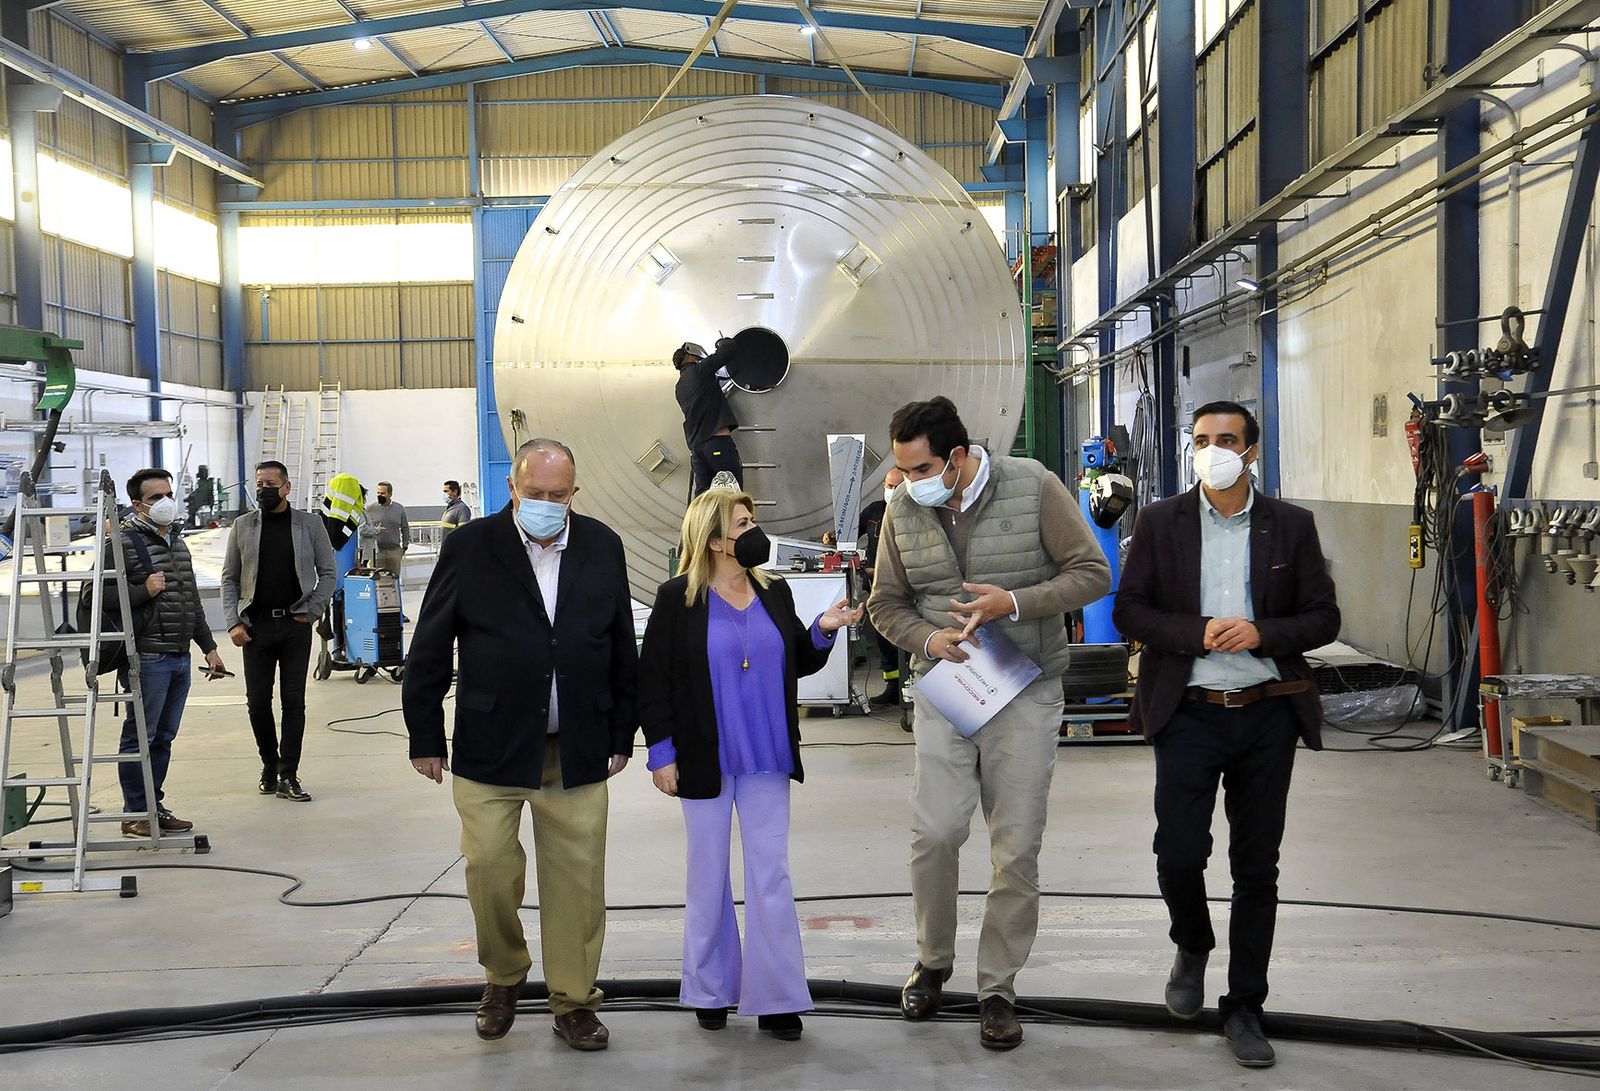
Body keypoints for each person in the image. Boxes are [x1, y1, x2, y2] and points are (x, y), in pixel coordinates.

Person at [867, 396, 1110, 1050]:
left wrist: (1016, 602)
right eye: (901, 469)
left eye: (919, 467)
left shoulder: (1034, 486)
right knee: (936, 830)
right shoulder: (902, 510)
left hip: (1025, 684)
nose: (908, 480)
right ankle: (933, 958)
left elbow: (1093, 572)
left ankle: (998, 985)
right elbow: (885, 604)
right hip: (948, 686)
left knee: (1017, 844)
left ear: (956, 456)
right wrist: (925, 639)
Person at [1112, 401, 1340, 1069]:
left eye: (1228, 439)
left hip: (1268, 712)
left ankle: (1245, 1004)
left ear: (1252, 451)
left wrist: (1264, 633)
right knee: (1178, 852)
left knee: (1256, 864)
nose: (1214, 449)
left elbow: (1323, 616)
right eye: (1204, 439)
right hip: (1188, 709)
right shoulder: (1160, 522)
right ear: (1191, 447)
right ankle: (1192, 938)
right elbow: (1131, 608)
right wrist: (1197, 630)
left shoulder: (1290, 527)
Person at [403, 438, 638, 1052]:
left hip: (578, 746)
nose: (547, 505)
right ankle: (504, 975)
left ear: (574, 494)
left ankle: (574, 1001)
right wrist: (424, 735)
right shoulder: (471, 547)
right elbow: (429, 646)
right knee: (489, 867)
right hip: (491, 746)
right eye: (536, 495)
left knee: (578, 882)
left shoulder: (602, 546)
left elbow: (619, 647)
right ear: (513, 488)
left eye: (559, 496)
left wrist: (621, 734)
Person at [638, 490, 861, 1042]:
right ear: (715, 539)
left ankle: (778, 996)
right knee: (708, 875)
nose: (755, 530)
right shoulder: (676, 599)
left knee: (770, 876)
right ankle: (711, 989)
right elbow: (654, 681)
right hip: (702, 757)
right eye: (743, 523)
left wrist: (824, 629)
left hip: (766, 756)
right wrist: (661, 752)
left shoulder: (774, 591)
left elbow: (798, 660)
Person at [113, 468, 227, 838]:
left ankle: (153, 806)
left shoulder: (176, 541)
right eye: (154, 498)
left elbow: (189, 600)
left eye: (167, 495)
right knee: (140, 736)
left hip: (178, 655)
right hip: (148, 656)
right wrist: (143, 589)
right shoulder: (124, 542)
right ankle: (135, 813)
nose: (164, 503)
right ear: (137, 504)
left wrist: (209, 647)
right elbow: (93, 597)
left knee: (163, 737)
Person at [221, 461, 337, 803]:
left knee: (293, 703)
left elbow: (328, 573)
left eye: (270, 483)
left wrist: (310, 612)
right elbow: (230, 577)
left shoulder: (310, 525)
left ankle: (289, 773)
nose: (263, 490)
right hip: (254, 629)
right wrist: (233, 621)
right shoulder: (242, 526)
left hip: (294, 626)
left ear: (286, 488)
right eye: (259, 484)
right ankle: (268, 766)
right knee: (257, 702)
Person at [858, 467, 906, 707]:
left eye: (899, 486)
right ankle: (893, 685)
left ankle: (911, 686)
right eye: (890, 486)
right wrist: (833, 537)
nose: (893, 491)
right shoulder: (874, 511)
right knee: (884, 637)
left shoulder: (913, 511)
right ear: (883, 487)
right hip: (876, 590)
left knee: (905, 637)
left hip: (905, 590)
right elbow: (849, 532)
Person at [673, 339, 743, 496]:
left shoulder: (679, 387)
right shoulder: (699, 371)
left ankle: (701, 521)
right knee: (733, 494)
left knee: (704, 498)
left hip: (697, 450)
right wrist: (721, 343)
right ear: (691, 357)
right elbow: (729, 349)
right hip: (717, 442)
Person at [366, 481, 409, 575]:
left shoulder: (399, 508)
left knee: (393, 580)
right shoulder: (370, 509)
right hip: (376, 552)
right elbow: (364, 528)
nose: (379, 495)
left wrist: (404, 547)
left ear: (390, 494)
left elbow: (405, 528)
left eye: (382, 493)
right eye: (378, 493)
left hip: (394, 551)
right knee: (376, 580)